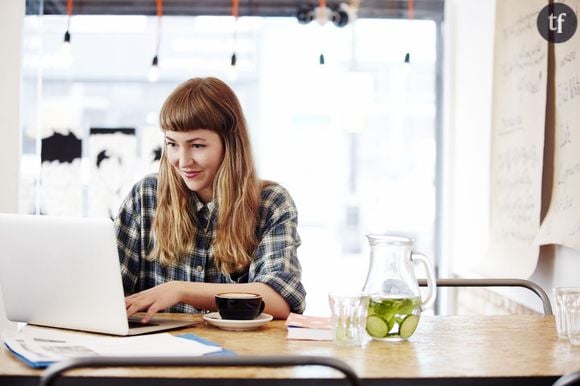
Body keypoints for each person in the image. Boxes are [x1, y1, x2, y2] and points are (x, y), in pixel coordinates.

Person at [115, 77, 306, 322]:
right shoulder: (146, 196)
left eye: (197, 146)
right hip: (155, 353)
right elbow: (106, 289)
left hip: (239, 355)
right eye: (172, 144)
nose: (182, 161)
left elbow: (278, 299)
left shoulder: (270, 203)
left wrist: (179, 290)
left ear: (229, 145)